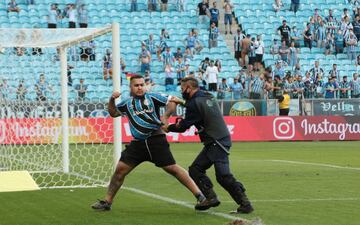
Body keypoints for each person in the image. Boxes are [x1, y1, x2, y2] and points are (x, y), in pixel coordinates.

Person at [91, 75, 210, 211]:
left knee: (173, 168)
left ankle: (200, 196)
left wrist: (165, 116)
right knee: (119, 171)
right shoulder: (126, 103)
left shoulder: (153, 96)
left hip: (156, 140)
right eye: (136, 85)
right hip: (137, 145)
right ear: (130, 87)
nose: (140, 87)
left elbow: (172, 101)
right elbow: (113, 113)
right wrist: (112, 99)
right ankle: (107, 202)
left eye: (142, 84)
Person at [162, 77, 254, 214]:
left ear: (189, 88)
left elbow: (183, 127)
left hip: (216, 141)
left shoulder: (194, 104)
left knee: (222, 176)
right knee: (196, 169)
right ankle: (213, 198)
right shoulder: (207, 95)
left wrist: (167, 127)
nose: (181, 91)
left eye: (182, 89)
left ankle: (242, 203)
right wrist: (181, 102)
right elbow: (196, 105)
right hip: (218, 139)